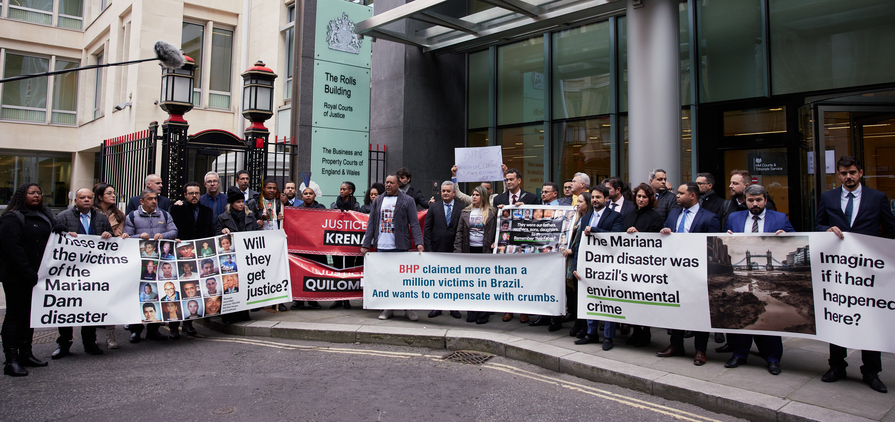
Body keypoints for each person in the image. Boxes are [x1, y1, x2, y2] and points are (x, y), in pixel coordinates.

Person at [815, 156, 894, 393]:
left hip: (867, 270)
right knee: (839, 314)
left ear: (861, 172)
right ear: (838, 175)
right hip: (838, 270)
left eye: (851, 172)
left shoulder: (877, 197)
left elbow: (890, 229)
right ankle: (836, 366)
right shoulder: (827, 197)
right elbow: (817, 224)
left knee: (869, 317)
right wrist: (826, 229)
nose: (847, 177)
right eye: (843, 173)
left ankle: (871, 371)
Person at [723, 184, 794, 376]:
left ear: (765, 200)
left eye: (758, 200)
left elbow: (794, 239)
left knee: (769, 315)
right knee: (742, 313)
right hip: (741, 274)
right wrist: (726, 238)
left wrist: (786, 236)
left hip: (769, 277)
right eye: (750, 200)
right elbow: (726, 244)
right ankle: (739, 354)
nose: (755, 204)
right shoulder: (734, 218)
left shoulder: (779, 218)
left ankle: (772, 358)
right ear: (745, 200)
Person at [656, 182, 720, 366]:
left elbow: (713, 247)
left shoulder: (709, 218)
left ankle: (700, 350)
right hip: (676, 271)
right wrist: (665, 232)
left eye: (681, 193)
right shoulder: (674, 214)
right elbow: (666, 237)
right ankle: (676, 345)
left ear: (693, 196)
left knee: (699, 312)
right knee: (676, 309)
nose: (676, 196)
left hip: (698, 274)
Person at [49, 188, 113, 359]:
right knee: (67, 309)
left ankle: (90, 343)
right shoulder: (63, 217)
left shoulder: (101, 218)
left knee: (90, 308)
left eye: (89, 197)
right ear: (75, 200)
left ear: (93, 200)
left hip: (93, 273)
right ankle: (64, 344)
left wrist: (108, 235)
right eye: (82, 197)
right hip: (69, 273)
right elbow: (54, 238)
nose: (86, 200)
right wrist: (65, 235)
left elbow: (112, 241)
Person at [1, 183, 55, 376]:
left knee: (29, 317)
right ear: (22, 195)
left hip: (37, 277)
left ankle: (26, 353)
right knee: (15, 316)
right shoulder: (12, 218)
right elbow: (12, 248)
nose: (36, 196)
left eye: (39, 193)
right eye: (32, 193)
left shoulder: (44, 215)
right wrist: (27, 272)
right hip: (17, 276)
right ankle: (11, 360)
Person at [361, 174, 425, 321]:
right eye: (386, 182)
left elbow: (414, 223)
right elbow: (372, 224)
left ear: (398, 185)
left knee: (402, 279)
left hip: (400, 246)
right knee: (386, 279)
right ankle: (388, 308)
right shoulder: (378, 200)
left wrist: (419, 242)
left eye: (391, 183)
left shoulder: (407, 201)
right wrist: (366, 244)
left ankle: (408, 308)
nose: (388, 185)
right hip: (382, 247)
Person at [574, 185, 625, 350]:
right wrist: (576, 266)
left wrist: (595, 230)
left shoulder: (616, 216)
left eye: (598, 197)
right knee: (591, 300)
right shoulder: (587, 216)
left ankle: (608, 338)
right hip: (588, 266)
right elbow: (579, 245)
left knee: (607, 301)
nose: (595, 200)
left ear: (606, 199)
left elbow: (616, 238)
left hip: (607, 266)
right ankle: (591, 333)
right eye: (593, 197)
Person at [124, 189, 178, 343]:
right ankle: (136, 331)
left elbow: (174, 231)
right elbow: (126, 237)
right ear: (142, 201)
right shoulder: (132, 216)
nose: (154, 202)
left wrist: (164, 235)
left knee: (154, 295)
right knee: (138, 297)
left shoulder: (164, 215)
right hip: (140, 263)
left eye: (155, 199)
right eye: (150, 199)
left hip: (159, 262)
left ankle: (153, 330)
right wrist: (138, 237)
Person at [493, 167, 539, 323]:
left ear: (519, 180)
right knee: (508, 278)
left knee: (525, 278)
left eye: (511, 179)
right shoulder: (498, 199)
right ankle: (508, 309)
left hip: (524, 243)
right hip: (506, 244)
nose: (508, 182)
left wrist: (525, 208)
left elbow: (537, 221)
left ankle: (524, 310)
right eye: (506, 180)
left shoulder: (531, 198)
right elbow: (495, 222)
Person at [621, 183, 664, 347]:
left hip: (645, 266)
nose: (641, 199)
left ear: (650, 199)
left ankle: (645, 333)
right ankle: (635, 332)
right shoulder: (629, 213)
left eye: (644, 197)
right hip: (629, 263)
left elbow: (656, 241)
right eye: (638, 196)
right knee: (632, 300)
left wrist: (640, 236)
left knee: (643, 301)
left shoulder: (655, 216)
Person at [215, 187, 260, 323]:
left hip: (246, 256)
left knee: (244, 285)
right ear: (231, 204)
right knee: (231, 285)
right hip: (230, 258)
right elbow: (216, 235)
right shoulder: (222, 218)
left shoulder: (250, 216)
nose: (241, 204)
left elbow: (259, 233)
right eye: (238, 202)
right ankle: (228, 315)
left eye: (242, 201)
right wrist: (222, 232)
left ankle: (243, 313)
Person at [453, 185, 497, 324]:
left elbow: (497, 231)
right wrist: (458, 251)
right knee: (471, 284)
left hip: (484, 252)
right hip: (469, 251)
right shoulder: (466, 212)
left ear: (483, 196)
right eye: (473, 195)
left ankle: (483, 314)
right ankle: (472, 312)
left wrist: (495, 244)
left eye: (477, 195)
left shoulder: (492, 212)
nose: (474, 197)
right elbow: (459, 233)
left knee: (484, 284)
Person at [425, 181, 463, 320]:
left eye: (448, 191)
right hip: (437, 249)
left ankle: (454, 307)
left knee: (454, 280)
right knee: (439, 280)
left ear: (453, 192)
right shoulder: (434, 207)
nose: (445, 193)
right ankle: (437, 307)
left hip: (454, 249)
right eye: (443, 191)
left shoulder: (461, 208)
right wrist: (428, 249)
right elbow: (427, 229)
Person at [93, 183, 125, 349]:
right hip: (93, 261)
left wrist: (121, 236)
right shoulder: (92, 214)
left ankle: (110, 335)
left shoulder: (119, 215)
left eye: (114, 193)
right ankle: (90, 336)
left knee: (110, 298)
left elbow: (119, 235)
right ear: (100, 196)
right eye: (109, 193)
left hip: (111, 260)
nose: (113, 196)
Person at [289, 179, 325, 310]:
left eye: (310, 193)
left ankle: (313, 299)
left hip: (316, 248)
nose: (308, 195)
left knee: (315, 273)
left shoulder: (321, 209)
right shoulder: (295, 210)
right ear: (302, 196)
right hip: (301, 248)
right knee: (299, 273)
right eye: (306, 193)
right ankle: (299, 299)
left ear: (315, 195)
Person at [565, 191, 593, 339]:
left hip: (580, 260)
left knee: (580, 295)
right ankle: (578, 322)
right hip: (571, 260)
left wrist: (572, 250)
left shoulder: (588, 220)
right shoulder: (577, 219)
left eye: (581, 202)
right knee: (573, 295)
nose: (577, 204)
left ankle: (583, 324)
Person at [330, 181, 361, 309]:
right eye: (340, 189)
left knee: (348, 268)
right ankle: (338, 298)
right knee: (337, 268)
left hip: (350, 242)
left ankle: (347, 298)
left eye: (344, 189)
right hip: (337, 241)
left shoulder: (357, 206)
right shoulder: (334, 205)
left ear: (350, 191)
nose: (341, 191)